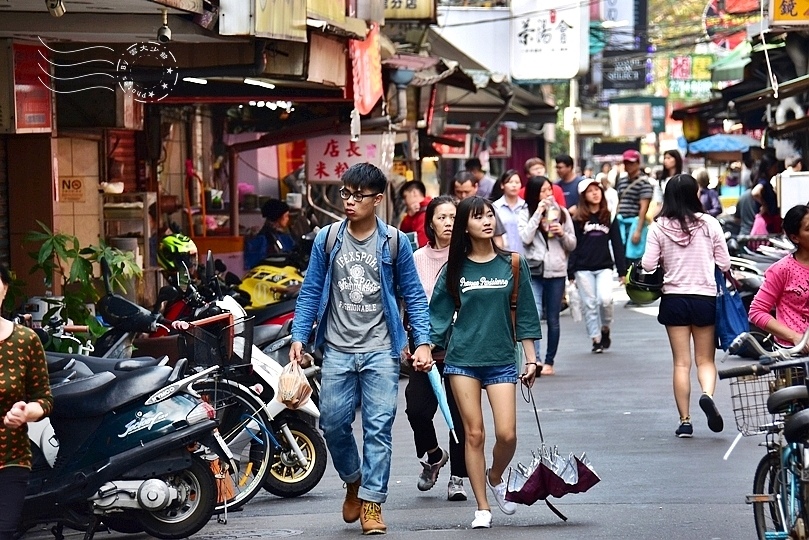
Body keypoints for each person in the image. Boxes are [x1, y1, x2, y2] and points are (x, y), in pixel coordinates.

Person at [289, 163, 433, 535]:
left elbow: (414, 297)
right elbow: (310, 291)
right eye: (345, 194)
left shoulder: (395, 242)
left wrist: (423, 342)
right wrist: (299, 336)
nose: (350, 202)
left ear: (378, 199)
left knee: (379, 427)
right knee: (333, 423)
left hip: (382, 351)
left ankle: (372, 502)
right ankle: (353, 480)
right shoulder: (327, 238)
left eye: (358, 195)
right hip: (336, 349)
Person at [429, 196, 540, 529]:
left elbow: (528, 317)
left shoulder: (513, 264)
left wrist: (532, 359)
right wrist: (423, 347)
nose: (487, 221)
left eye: (489, 215)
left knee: (507, 434)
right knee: (473, 434)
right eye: (478, 217)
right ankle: (482, 507)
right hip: (462, 360)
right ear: (466, 225)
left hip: (503, 359)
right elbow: (437, 316)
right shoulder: (454, 269)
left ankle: (495, 475)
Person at [641, 174, 730, 438]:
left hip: (674, 299)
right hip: (704, 298)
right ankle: (707, 394)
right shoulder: (710, 224)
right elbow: (724, 264)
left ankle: (685, 421)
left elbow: (648, 265)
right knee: (705, 359)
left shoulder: (658, 227)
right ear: (695, 194)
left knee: (681, 363)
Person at [405, 196, 468, 502]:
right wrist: (411, 343)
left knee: (459, 415)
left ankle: (458, 478)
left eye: (453, 217)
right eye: (441, 217)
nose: (448, 223)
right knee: (416, 409)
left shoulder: (468, 258)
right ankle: (433, 456)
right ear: (430, 222)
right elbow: (408, 303)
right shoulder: (416, 259)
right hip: (425, 350)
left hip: (462, 350)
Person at [0, 264, 53, 539]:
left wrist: (25, 412)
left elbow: (44, 400)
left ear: (4, 289)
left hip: (10, 459)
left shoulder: (25, 341)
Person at [518, 176, 577, 376]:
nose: (547, 195)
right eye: (543, 191)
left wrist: (561, 233)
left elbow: (572, 244)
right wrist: (537, 214)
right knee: (533, 314)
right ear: (534, 194)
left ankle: (550, 360)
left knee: (553, 317)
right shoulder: (525, 212)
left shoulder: (562, 213)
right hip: (534, 271)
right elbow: (524, 238)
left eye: (549, 190)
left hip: (556, 270)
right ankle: (537, 360)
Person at [569, 178, 627, 353]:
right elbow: (573, 246)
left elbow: (617, 244)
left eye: (597, 190)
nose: (595, 193)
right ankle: (595, 339)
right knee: (589, 304)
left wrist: (622, 271)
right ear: (583, 196)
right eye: (590, 191)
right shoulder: (578, 218)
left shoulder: (608, 216)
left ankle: (606, 328)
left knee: (605, 299)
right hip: (583, 267)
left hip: (604, 266)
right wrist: (570, 271)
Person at [749, 204, 809, 349]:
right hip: (794, 359)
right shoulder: (782, 269)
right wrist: (795, 337)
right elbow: (757, 312)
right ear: (795, 237)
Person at [616, 149, 653, 292]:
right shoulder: (622, 180)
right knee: (623, 258)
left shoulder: (644, 183)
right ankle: (630, 287)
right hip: (621, 224)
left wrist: (638, 230)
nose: (628, 166)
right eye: (626, 163)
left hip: (635, 224)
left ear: (638, 163)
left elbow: (643, 208)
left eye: (631, 163)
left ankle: (638, 288)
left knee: (635, 259)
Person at [491, 170, 527, 254]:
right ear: (502, 185)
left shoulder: (526, 207)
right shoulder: (495, 207)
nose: (514, 185)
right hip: (503, 254)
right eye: (510, 182)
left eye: (517, 182)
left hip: (525, 255)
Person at [751, 153, 782, 234]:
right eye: (775, 167)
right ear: (769, 168)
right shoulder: (763, 181)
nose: (776, 169)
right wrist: (764, 205)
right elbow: (755, 192)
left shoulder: (766, 182)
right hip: (767, 223)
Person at [399, 180, 431, 248]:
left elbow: (421, 242)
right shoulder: (414, 212)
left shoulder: (426, 210)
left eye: (405, 197)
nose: (405, 202)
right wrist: (410, 216)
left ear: (414, 193)